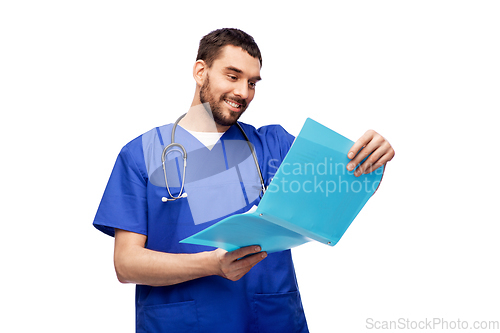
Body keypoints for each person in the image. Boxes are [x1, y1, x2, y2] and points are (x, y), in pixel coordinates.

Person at [93, 28, 395, 333]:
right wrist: (211, 265)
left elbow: (344, 191)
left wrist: (373, 158)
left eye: (252, 82)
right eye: (232, 76)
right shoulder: (141, 155)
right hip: (182, 323)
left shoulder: (273, 145)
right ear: (201, 72)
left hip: (271, 319)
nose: (244, 92)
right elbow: (126, 264)